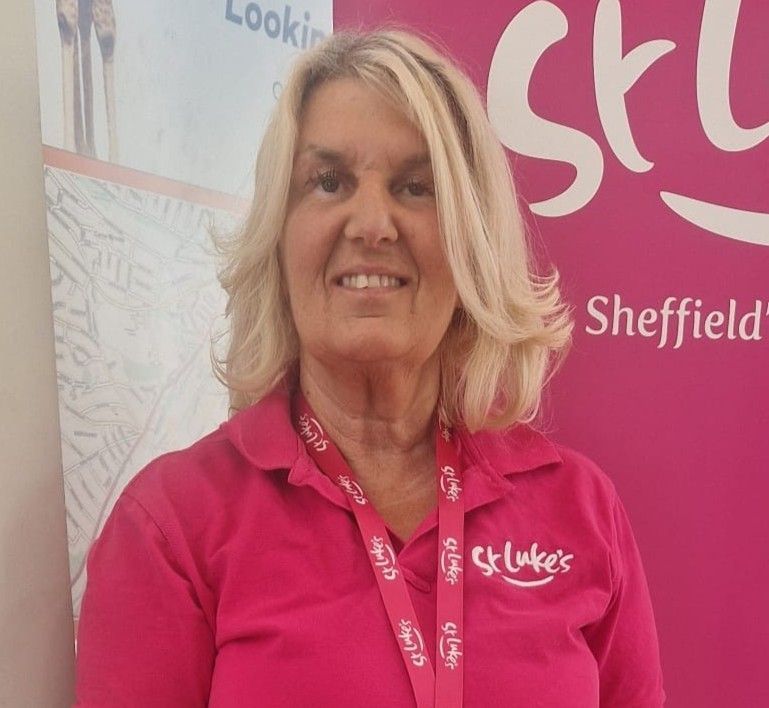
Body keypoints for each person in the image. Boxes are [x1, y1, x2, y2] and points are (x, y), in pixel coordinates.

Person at [75, 28, 665, 707]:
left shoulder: (581, 510)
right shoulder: (172, 525)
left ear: (471, 242)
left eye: (415, 187)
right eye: (328, 182)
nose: (372, 223)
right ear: (278, 233)